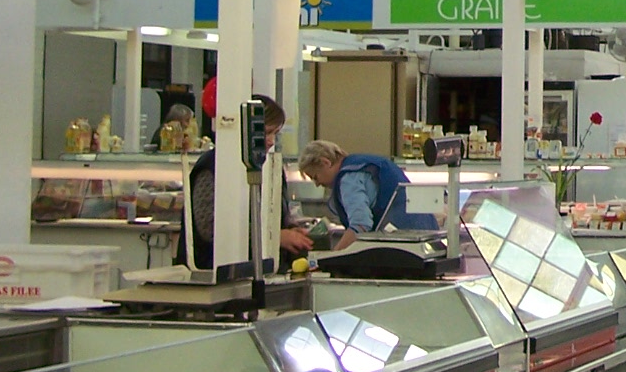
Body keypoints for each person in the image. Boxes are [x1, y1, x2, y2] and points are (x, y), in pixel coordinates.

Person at [188, 96, 310, 270]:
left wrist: (290, 229)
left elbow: (277, 212)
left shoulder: (271, 167)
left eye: (275, 133)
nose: (271, 141)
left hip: (265, 269)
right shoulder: (213, 167)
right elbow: (209, 229)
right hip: (215, 272)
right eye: (267, 132)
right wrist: (275, 238)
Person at [297, 139, 440, 250]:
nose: (317, 184)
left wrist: (335, 256)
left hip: (402, 244)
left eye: (315, 177)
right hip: (426, 238)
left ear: (325, 162)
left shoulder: (348, 178)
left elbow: (361, 225)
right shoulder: (365, 163)